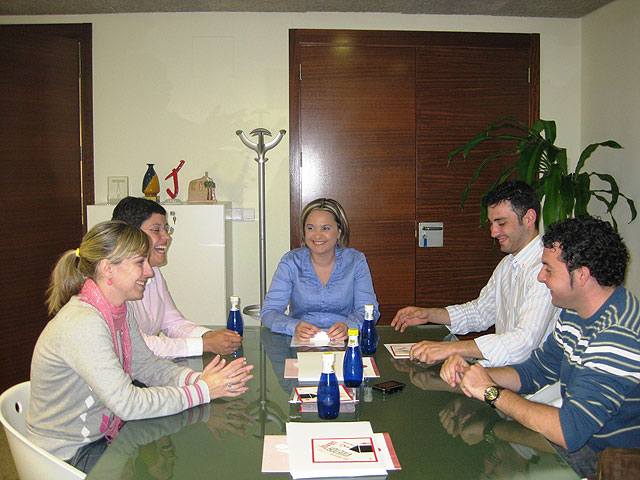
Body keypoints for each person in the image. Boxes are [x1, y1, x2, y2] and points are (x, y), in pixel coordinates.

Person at [26, 221, 254, 473]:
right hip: (69, 454)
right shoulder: (83, 323)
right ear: (107, 269)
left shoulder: (117, 311)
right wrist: (203, 391)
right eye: (139, 263)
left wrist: (197, 379)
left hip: (101, 436)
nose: (149, 272)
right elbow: (128, 404)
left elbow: (146, 366)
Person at [440, 215, 640, 478]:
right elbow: (536, 371)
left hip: (599, 459)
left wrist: (490, 391)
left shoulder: (617, 336)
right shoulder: (575, 311)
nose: (540, 276)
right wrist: (472, 373)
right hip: (575, 442)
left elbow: (570, 431)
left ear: (581, 276)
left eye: (549, 268)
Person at [391, 180, 558, 366]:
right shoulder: (507, 264)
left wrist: (450, 349)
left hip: (535, 384)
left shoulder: (547, 271)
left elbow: (523, 343)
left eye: (501, 223)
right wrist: (428, 315)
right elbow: (480, 313)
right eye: (491, 223)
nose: (493, 233)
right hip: (506, 372)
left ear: (529, 218)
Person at [112, 196, 241, 358]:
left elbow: (172, 322)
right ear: (130, 234)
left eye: (166, 229)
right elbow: (138, 345)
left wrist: (206, 335)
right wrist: (204, 344)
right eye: (156, 229)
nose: (167, 237)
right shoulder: (115, 284)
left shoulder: (153, 272)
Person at [261, 198, 379, 341]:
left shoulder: (356, 261)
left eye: (325, 228)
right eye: (310, 228)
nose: (317, 235)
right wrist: (294, 327)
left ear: (339, 232)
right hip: (299, 343)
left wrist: (349, 326)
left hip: (346, 343)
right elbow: (269, 312)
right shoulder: (291, 262)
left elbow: (369, 310)